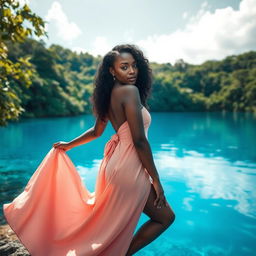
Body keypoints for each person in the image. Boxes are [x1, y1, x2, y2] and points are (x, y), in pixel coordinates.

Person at [3, 44, 175, 256]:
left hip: (116, 166)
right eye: (124, 67)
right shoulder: (130, 92)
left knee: (110, 225)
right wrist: (156, 179)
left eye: (134, 66)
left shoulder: (109, 94)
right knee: (165, 218)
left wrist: (69, 144)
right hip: (130, 167)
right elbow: (139, 140)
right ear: (112, 71)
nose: (131, 71)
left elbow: (96, 132)